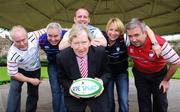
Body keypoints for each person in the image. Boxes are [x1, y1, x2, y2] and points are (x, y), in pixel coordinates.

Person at [104, 17, 161, 112]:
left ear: (121, 31)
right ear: (107, 30)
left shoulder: (126, 38)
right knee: (109, 101)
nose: (113, 33)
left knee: (124, 100)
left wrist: (155, 43)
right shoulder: (101, 37)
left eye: (117, 30)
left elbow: (145, 28)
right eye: (111, 29)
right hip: (107, 74)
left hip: (121, 74)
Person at [126, 18, 180, 112]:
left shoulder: (160, 44)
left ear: (145, 33)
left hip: (158, 75)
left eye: (137, 35)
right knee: (143, 102)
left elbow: (176, 62)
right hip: (140, 74)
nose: (133, 39)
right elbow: (110, 34)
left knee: (160, 103)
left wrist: (166, 81)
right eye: (130, 36)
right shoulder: (127, 40)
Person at [56, 24, 111, 112]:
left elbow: (107, 73)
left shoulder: (100, 53)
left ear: (90, 42)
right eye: (76, 43)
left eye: (84, 42)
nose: (81, 48)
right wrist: (70, 87)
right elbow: (61, 77)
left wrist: (101, 82)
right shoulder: (62, 57)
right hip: (74, 95)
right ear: (70, 44)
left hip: (96, 93)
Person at [6, 25, 41, 112]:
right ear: (13, 40)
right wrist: (31, 80)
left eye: (23, 40)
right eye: (18, 41)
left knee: (33, 94)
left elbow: (50, 29)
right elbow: (13, 73)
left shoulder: (34, 36)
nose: (22, 44)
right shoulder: (12, 55)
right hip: (19, 71)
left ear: (27, 36)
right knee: (14, 90)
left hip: (35, 69)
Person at [38, 22, 67, 112]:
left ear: (61, 33)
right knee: (55, 91)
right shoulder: (42, 40)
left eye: (56, 36)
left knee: (65, 90)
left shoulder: (67, 36)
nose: (53, 39)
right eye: (50, 36)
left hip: (65, 65)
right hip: (52, 65)